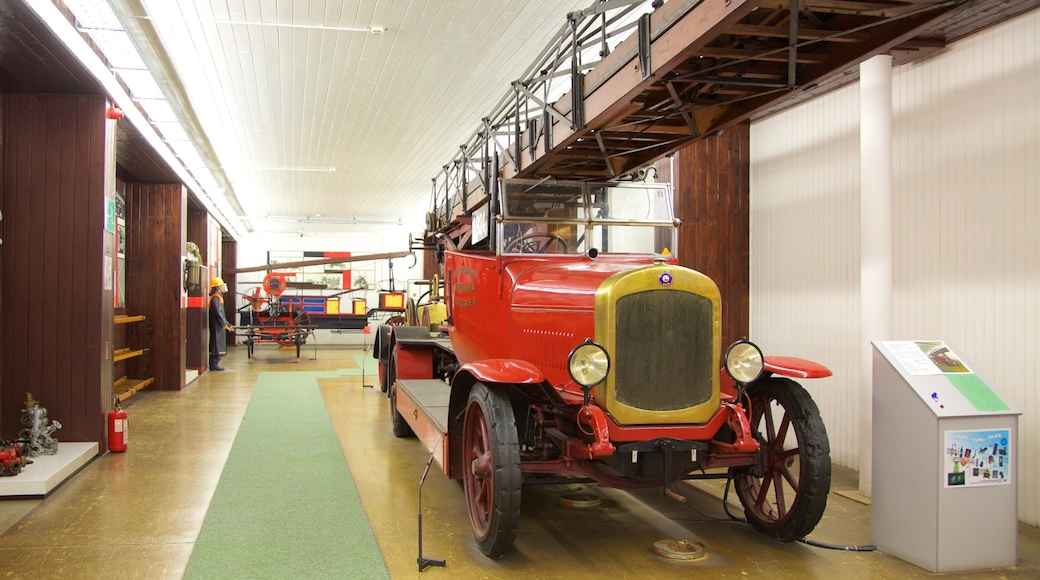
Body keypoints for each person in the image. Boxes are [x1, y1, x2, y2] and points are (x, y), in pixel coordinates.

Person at [209, 277, 234, 371]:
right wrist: (224, 324)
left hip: (219, 324)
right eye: (222, 285)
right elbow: (217, 312)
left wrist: (227, 324)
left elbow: (221, 314)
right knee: (216, 344)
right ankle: (213, 364)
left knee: (218, 343)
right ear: (218, 286)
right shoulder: (216, 297)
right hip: (216, 325)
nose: (223, 287)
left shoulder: (218, 297)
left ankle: (215, 363)